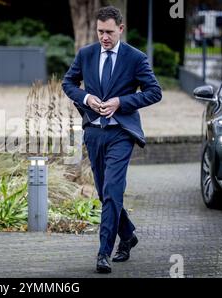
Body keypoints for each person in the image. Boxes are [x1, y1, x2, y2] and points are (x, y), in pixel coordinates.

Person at [62, 6, 162, 274]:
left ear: (121, 29)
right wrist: (85, 98)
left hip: (121, 132)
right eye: (100, 31)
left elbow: (154, 92)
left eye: (109, 32)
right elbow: (68, 83)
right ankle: (128, 235)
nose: (104, 37)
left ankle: (103, 252)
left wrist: (121, 102)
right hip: (94, 132)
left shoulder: (135, 58)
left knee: (112, 191)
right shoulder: (86, 54)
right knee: (105, 192)